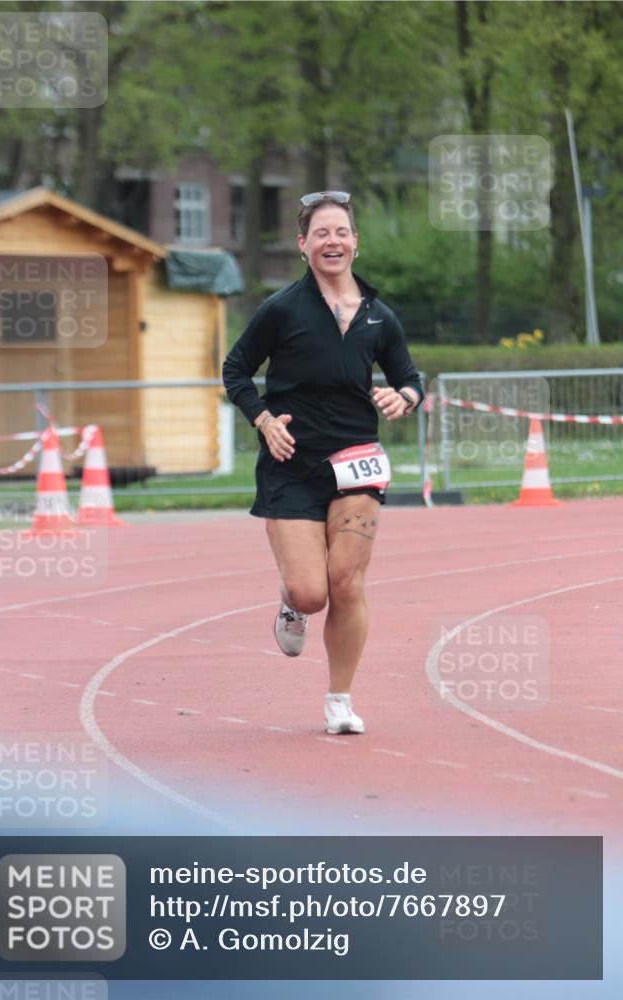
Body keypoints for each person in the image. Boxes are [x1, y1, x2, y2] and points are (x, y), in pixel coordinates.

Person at [222, 191, 423, 734]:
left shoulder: (380, 316)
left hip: (356, 457)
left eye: (341, 232)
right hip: (292, 463)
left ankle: (340, 701)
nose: (332, 241)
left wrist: (403, 397)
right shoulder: (282, 308)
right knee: (312, 592)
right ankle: (291, 603)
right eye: (321, 234)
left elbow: (410, 378)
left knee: (347, 582)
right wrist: (263, 420)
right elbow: (236, 370)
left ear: (355, 242)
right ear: (303, 245)